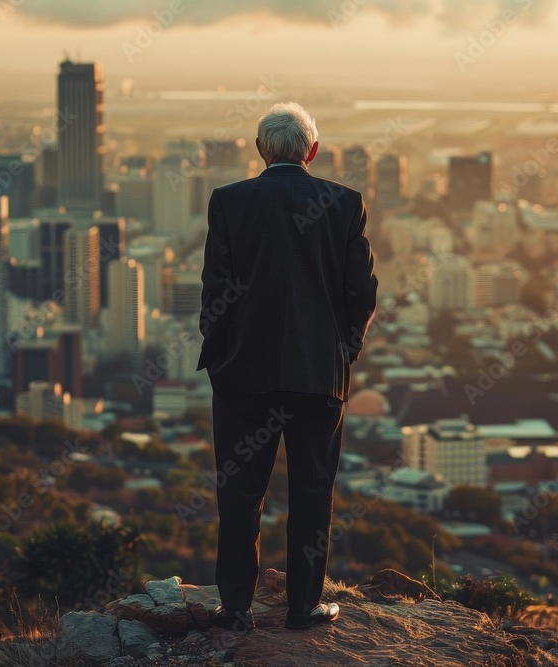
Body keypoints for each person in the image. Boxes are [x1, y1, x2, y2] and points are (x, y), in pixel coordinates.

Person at [196, 101, 379, 631]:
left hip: (242, 378)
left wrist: (222, 355)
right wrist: (341, 352)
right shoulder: (344, 203)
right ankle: (303, 607)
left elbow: (215, 292)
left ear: (260, 150)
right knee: (312, 490)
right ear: (313, 151)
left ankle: (234, 609)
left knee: (239, 494)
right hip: (317, 377)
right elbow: (361, 293)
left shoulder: (229, 202)